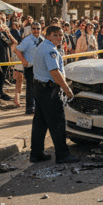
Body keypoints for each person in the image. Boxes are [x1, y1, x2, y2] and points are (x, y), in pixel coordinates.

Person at [30, 25, 78, 164]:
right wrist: (67, 90)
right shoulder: (50, 50)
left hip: (40, 87)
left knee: (40, 122)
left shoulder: (42, 47)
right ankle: (62, 154)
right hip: (49, 90)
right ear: (49, 35)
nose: (60, 38)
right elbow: (55, 72)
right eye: (56, 35)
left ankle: (36, 153)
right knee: (57, 122)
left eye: (61, 35)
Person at [14, 22, 43, 115]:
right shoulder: (28, 40)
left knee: (39, 87)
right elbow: (16, 50)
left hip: (40, 67)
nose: (36, 31)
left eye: (38, 29)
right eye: (34, 28)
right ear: (31, 29)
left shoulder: (42, 39)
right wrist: (23, 61)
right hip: (30, 67)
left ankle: (37, 107)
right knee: (30, 88)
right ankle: (30, 108)